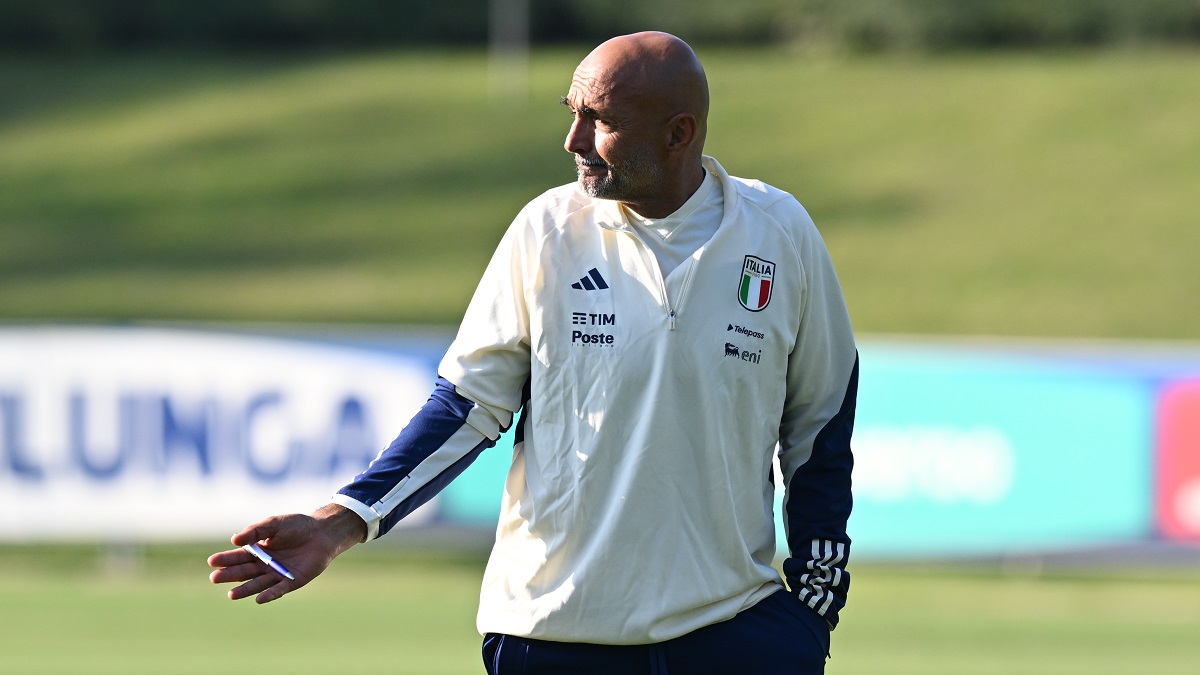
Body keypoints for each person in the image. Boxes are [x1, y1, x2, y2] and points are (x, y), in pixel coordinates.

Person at [209, 31, 858, 674]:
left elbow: (822, 421)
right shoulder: (547, 231)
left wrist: (811, 609)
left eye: (600, 120)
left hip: (731, 632)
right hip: (552, 635)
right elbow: (466, 407)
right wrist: (341, 521)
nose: (573, 140)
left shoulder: (780, 233)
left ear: (678, 134)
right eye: (571, 112)